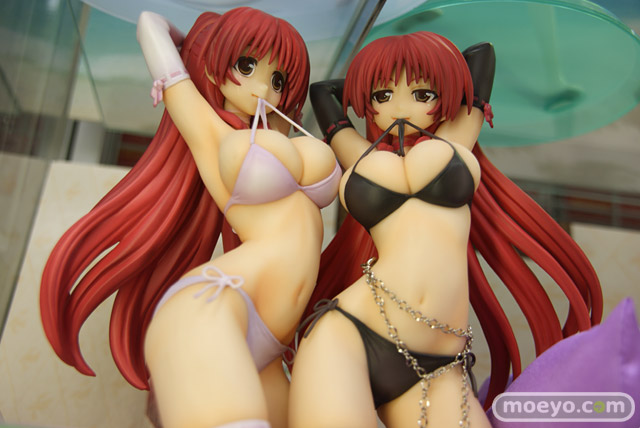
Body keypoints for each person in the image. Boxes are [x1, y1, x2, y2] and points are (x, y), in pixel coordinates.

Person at [40, 8, 340, 428]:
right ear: (216, 69)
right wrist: (198, 43)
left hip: (272, 343)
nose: (263, 88)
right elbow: (148, 22)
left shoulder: (277, 134)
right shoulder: (210, 132)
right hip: (218, 303)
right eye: (246, 66)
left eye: (277, 80)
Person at [289, 32, 602, 428]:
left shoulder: (457, 136)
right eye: (382, 96)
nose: (400, 108)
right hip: (351, 331)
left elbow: (482, 55)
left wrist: (437, 70)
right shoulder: (358, 152)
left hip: (441, 362)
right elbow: (323, 92)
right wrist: (362, 81)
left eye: (421, 94)